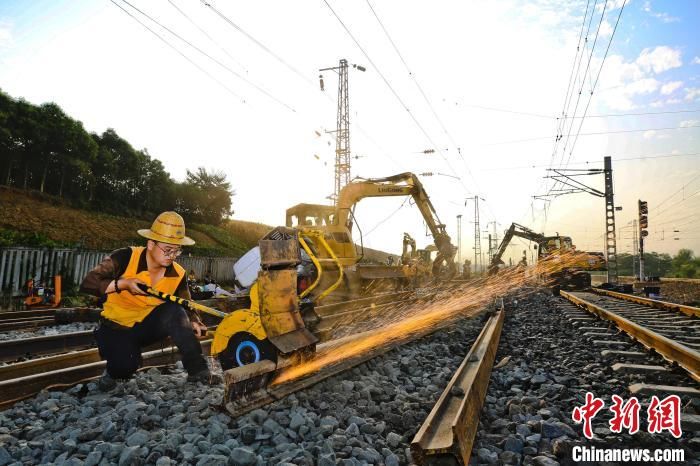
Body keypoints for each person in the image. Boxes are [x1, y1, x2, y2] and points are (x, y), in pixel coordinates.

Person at [81, 211, 213, 389]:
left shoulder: (178, 273)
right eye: (168, 249)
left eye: (177, 250)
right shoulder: (125, 257)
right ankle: (114, 369)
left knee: (175, 311)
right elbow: (88, 283)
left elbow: (185, 302)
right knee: (125, 367)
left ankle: (198, 371)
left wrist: (194, 320)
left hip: (147, 327)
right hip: (116, 326)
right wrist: (124, 284)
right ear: (151, 244)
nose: (172, 255)